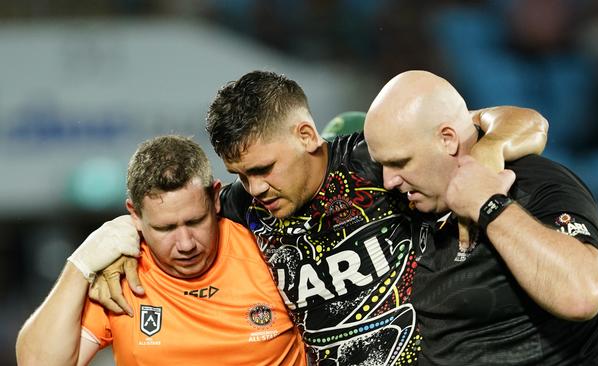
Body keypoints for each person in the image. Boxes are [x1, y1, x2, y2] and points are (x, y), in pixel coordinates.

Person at [94, 71, 548, 365]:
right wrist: (119, 248)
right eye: (240, 175)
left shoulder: (380, 162)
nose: (253, 188)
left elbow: (526, 122)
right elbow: (171, 219)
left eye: (263, 169)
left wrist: (490, 148)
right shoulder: (238, 205)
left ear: (307, 135)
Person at [363, 70, 598, 365]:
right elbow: (492, 118)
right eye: (382, 164)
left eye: (399, 162)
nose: (388, 180)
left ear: (447, 140)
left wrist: (489, 204)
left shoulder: (534, 183)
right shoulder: (405, 195)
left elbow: (582, 296)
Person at [15, 135, 306, 366]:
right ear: (135, 216)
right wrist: (80, 264)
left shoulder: (272, 252)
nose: (186, 244)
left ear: (216, 198)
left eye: (195, 221)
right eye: (165, 228)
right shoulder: (119, 276)